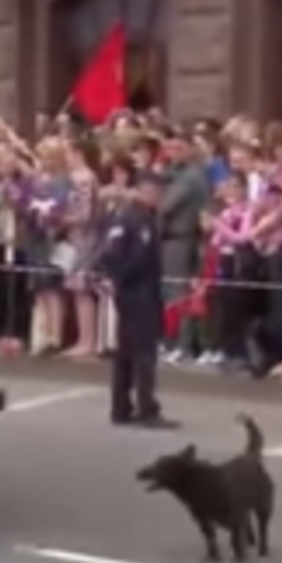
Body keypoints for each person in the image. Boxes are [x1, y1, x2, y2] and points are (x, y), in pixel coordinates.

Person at [100, 171, 178, 430]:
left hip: (126, 291)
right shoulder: (140, 220)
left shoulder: (120, 218)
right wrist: (124, 278)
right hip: (140, 290)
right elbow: (138, 258)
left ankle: (120, 407)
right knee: (144, 352)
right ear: (146, 192)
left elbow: (109, 253)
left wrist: (114, 278)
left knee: (125, 350)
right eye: (157, 191)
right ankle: (146, 408)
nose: (160, 196)